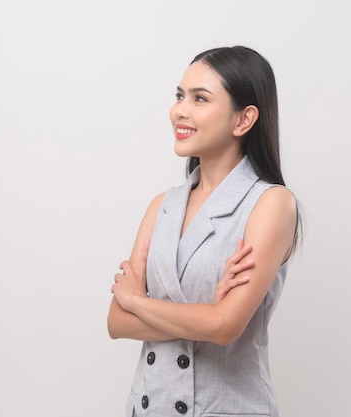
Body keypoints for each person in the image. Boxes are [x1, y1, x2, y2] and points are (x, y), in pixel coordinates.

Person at [108, 45, 300, 417]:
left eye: (200, 98)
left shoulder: (271, 204)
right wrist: (207, 314)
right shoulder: (162, 205)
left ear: (243, 120)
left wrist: (138, 302)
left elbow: (225, 327)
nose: (180, 110)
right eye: (180, 96)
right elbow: (116, 322)